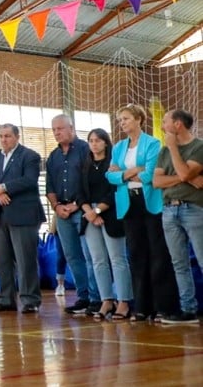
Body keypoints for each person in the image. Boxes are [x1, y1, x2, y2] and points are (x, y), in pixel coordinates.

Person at [106, 104, 180, 323]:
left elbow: (149, 175)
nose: (123, 123)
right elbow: (109, 176)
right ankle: (142, 307)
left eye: (126, 118)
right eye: (120, 120)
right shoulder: (118, 147)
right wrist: (132, 172)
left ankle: (162, 306)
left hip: (149, 203)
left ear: (139, 119)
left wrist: (123, 174)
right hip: (128, 204)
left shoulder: (152, 143)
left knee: (158, 254)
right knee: (136, 255)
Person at [0, 124, 45, 313]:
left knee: (25, 260)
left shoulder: (29, 156)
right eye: (0, 136)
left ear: (16, 136)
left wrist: (5, 187)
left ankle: (30, 300)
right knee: (3, 259)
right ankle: (6, 298)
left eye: (7, 136)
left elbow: (30, 180)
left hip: (23, 215)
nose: (3, 139)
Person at [45, 114, 100, 316]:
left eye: (60, 128)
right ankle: (83, 296)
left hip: (83, 210)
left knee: (90, 255)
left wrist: (78, 204)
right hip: (62, 213)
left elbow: (91, 181)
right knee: (72, 256)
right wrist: (57, 206)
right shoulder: (53, 156)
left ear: (71, 128)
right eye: (54, 130)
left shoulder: (86, 150)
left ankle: (97, 298)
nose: (57, 133)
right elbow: (49, 186)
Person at [153, 110, 203, 325]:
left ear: (178, 124)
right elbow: (156, 181)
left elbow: (184, 172)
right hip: (169, 210)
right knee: (179, 263)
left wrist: (174, 147)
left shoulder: (198, 147)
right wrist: (187, 179)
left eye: (165, 122)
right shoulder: (163, 151)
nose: (163, 127)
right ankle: (188, 309)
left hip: (194, 209)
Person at [78, 129, 132, 321]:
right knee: (98, 260)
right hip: (89, 215)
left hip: (110, 213)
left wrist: (98, 211)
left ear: (106, 143)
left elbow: (115, 190)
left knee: (117, 258)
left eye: (98, 141)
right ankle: (106, 300)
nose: (94, 144)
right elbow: (79, 193)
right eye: (91, 141)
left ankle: (124, 301)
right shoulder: (84, 165)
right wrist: (89, 213)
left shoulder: (113, 165)